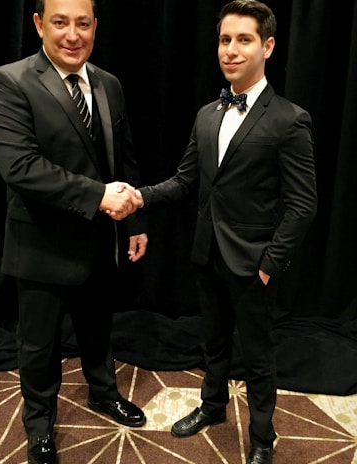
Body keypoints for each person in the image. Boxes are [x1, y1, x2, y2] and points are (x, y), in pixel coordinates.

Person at [133, 1, 317, 463]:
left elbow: (302, 205)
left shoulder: (289, 120)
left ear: (268, 46)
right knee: (212, 342)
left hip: (254, 264)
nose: (230, 50)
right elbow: (184, 181)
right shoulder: (207, 114)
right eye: (224, 40)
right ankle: (213, 407)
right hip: (206, 254)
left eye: (243, 39)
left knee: (257, 356)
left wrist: (270, 265)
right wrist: (139, 198)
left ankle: (261, 439)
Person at [0, 0, 147, 462]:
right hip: (40, 241)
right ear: (39, 24)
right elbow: (20, 168)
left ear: (96, 25)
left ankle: (103, 392)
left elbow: (124, 159)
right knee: (38, 345)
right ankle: (38, 425)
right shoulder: (9, 81)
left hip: (101, 238)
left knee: (99, 327)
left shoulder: (109, 84)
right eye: (60, 22)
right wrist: (98, 196)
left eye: (82, 23)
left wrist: (134, 220)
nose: (72, 34)